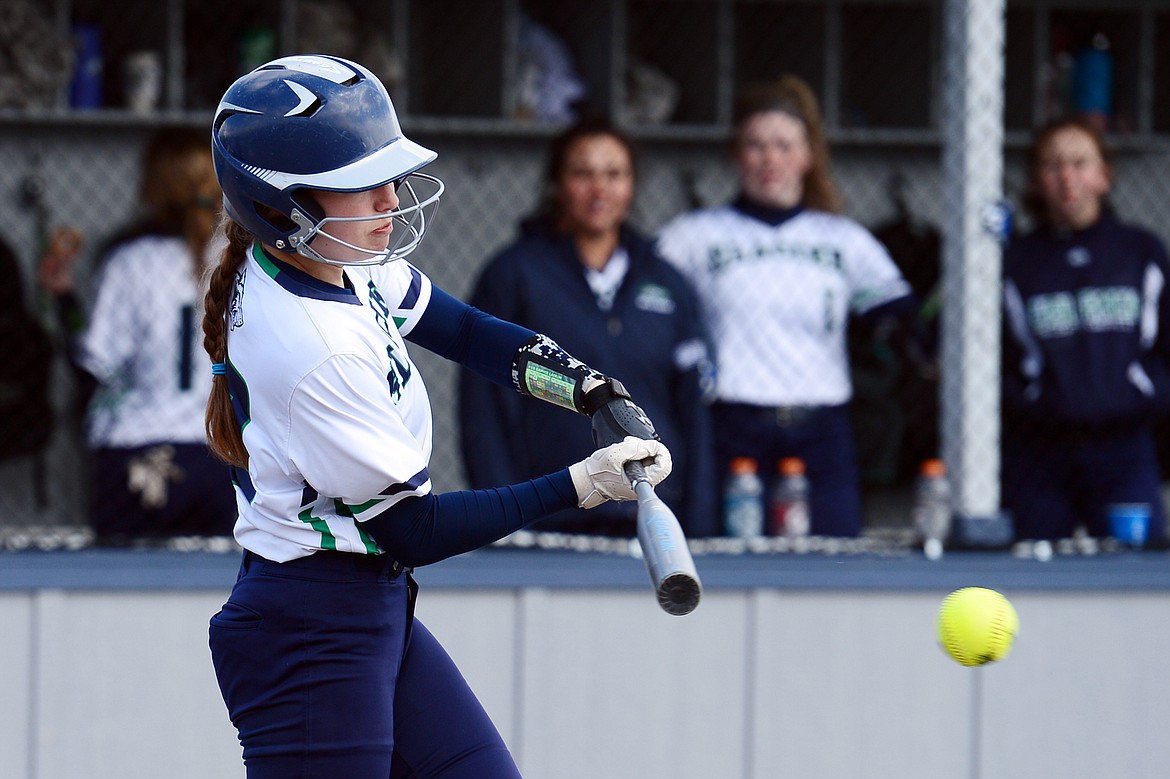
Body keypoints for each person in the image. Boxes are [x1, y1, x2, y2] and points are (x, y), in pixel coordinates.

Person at [202, 55, 671, 777]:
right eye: (361, 184)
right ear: (282, 206)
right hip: (308, 630)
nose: (390, 198)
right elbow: (414, 528)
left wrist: (589, 389)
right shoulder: (314, 347)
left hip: (363, 602)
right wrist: (582, 482)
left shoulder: (332, 255)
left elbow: (466, 331)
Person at [655, 75, 917, 538]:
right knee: (729, 566)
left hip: (823, 429)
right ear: (736, 155)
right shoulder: (695, 235)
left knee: (833, 563)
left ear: (808, 155)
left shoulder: (842, 238)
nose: (769, 159)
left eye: (783, 145)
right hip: (733, 423)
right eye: (756, 145)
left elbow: (899, 316)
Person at [459, 116, 716, 538]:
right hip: (550, 512)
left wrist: (699, 523)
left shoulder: (667, 282)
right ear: (558, 183)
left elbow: (694, 411)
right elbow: (484, 409)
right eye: (583, 173)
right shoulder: (514, 274)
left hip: (652, 514)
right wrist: (502, 518)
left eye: (614, 174)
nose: (600, 189)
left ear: (632, 184)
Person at [38, 127, 236, 545]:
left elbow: (94, 364)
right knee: (223, 591)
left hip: (140, 451)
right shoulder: (238, 260)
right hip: (222, 455)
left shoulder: (131, 259)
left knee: (119, 589)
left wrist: (66, 303)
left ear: (153, 188)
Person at [1002, 116, 1170, 546]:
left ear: (1103, 176)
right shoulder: (1015, 262)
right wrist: (1030, 402)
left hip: (1124, 447)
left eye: (1079, 163)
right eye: (1052, 165)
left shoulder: (1140, 252)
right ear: (1037, 180)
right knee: (1033, 569)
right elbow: (991, 355)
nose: (1066, 178)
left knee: (1137, 573)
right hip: (1039, 451)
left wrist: (1146, 394)